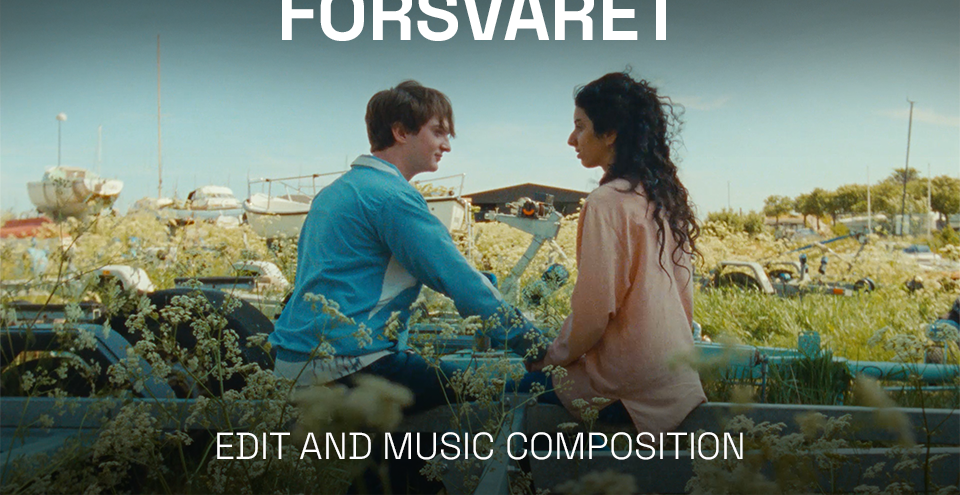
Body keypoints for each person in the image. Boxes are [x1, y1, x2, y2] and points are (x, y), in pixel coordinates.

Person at [269, 80, 547, 413]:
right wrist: (534, 347)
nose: (446, 145)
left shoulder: (336, 191)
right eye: (438, 132)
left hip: (293, 361)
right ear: (401, 132)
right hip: (349, 365)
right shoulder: (392, 197)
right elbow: (459, 281)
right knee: (512, 392)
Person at [529, 71, 707, 437]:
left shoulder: (606, 202)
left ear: (609, 134)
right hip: (675, 381)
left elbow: (594, 315)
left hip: (626, 389)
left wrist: (549, 357)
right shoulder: (663, 198)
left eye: (580, 126)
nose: (571, 139)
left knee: (511, 396)